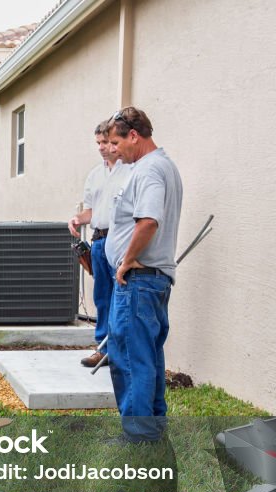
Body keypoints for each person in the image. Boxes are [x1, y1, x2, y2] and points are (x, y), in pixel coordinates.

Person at [103, 106, 183, 444]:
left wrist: (126, 261)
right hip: (152, 280)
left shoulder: (150, 169)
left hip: (139, 280)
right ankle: (152, 430)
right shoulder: (162, 166)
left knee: (130, 358)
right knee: (146, 356)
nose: (114, 151)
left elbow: (148, 221)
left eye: (116, 143)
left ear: (133, 135)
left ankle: (138, 437)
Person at [68, 121, 132, 367]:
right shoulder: (95, 175)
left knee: (121, 297)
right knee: (102, 297)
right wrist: (77, 219)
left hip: (120, 241)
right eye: (98, 144)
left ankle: (120, 350)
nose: (102, 148)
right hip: (98, 242)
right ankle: (102, 348)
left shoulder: (130, 170)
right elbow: (91, 212)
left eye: (106, 142)